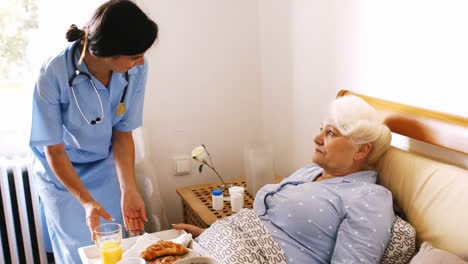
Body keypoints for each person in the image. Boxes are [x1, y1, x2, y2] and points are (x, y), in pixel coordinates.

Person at [175, 95, 395, 264]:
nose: (316, 138)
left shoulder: (369, 198)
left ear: (361, 150)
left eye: (330, 133)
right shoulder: (310, 172)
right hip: (215, 248)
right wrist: (211, 234)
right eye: (321, 129)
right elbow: (269, 222)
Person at [29, 0, 158, 263]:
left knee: (116, 245)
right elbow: (53, 149)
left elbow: (122, 133)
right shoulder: (52, 73)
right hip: (62, 170)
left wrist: (129, 189)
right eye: (134, 55)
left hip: (102, 162)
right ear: (110, 50)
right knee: (80, 250)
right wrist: (86, 201)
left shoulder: (135, 70)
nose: (141, 61)